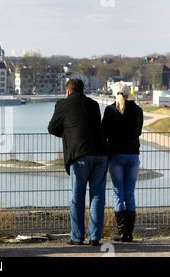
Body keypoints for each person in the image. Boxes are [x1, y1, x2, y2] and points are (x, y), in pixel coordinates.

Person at [48, 79, 109, 246]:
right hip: (101, 153)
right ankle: (95, 237)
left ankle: (77, 237)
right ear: (83, 90)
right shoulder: (94, 104)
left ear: (68, 91)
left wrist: (69, 133)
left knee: (77, 197)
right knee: (97, 197)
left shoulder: (62, 104)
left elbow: (52, 128)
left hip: (79, 155)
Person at [102, 82, 143, 242]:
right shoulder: (138, 110)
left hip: (116, 155)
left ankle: (121, 233)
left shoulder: (110, 110)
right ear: (128, 94)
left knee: (118, 194)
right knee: (130, 194)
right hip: (133, 155)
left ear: (113, 95)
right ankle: (129, 233)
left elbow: (104, 131)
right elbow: (139, 130)